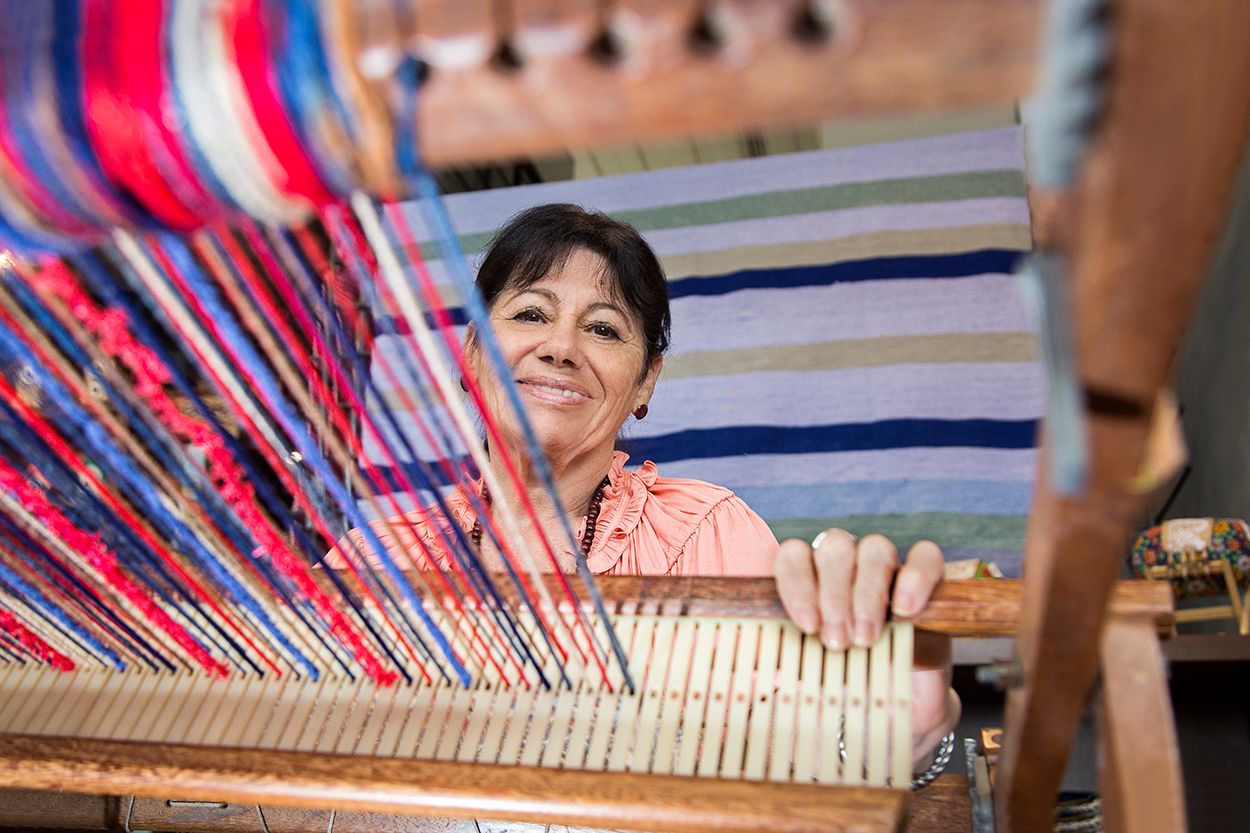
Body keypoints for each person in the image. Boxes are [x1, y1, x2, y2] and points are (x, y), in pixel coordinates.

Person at [338, 202, 958, 767]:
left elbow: (810, 758)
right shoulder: (374, 560)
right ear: (473, 354)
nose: (560, 348)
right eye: (531, 314)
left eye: (603, 329)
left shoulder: (707, 535)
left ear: (644, 383)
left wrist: (899, 728)